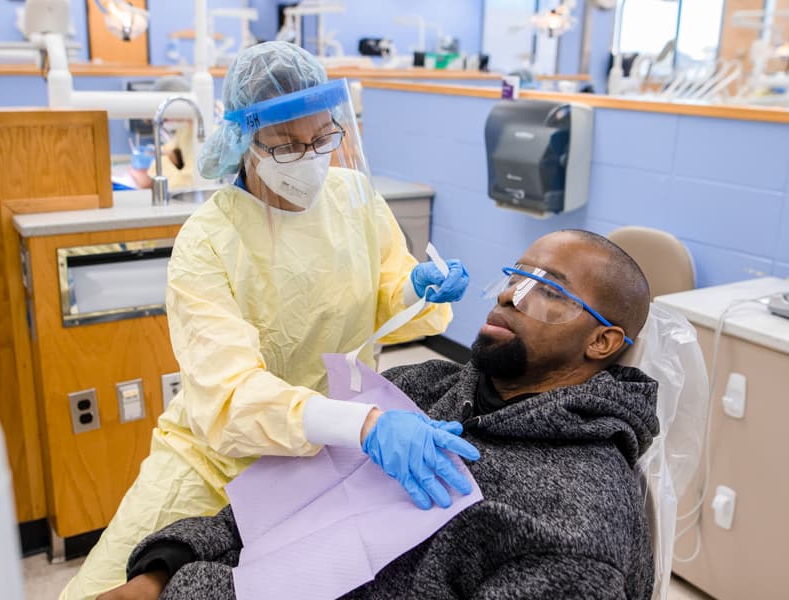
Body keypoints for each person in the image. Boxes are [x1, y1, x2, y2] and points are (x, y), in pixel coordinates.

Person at [61, 41, 476, 600]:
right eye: (286, 146)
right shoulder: (208, 242)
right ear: (243, 142)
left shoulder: (353, 197)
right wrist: (367, 427)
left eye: (323, 137)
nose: (310, 158)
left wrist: (413, 288)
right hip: (218, 457)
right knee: (109, 585)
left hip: (332, 445)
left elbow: (381, 296)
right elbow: (234, 395)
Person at [98, 229, 660, 600]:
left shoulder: (575, 523)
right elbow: (269, 503)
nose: (510, 297)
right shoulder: (417, 388)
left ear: (603, 341)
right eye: (516, 276)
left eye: (547, 291)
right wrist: (162, 570)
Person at [127, 75, 197, 190]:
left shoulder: (203, 130)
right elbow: (175, 148)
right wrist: (158, 152)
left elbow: (190, 181)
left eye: (165, 117)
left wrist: (152, 176)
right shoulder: (185, 127)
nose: (165, 121)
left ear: (178, 106)